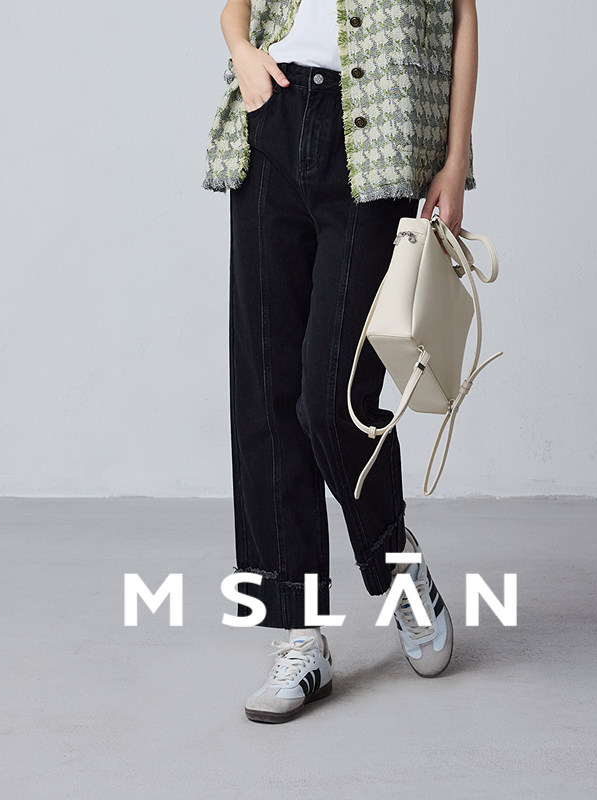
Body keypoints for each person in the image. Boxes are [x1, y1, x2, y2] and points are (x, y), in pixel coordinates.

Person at [201, 0, 479, 723]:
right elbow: (237, 7)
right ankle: (299, 639)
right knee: (266, 395)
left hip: (378, 138)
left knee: (332, 399)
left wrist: (455, 160)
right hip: (273, 116)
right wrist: (243, 54)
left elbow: (462, 16)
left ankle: (395, 562)